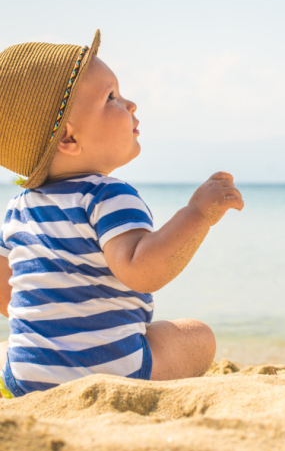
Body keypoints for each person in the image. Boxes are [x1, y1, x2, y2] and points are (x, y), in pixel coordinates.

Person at [0, 29, 244, 398]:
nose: (130, 104)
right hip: (115, 372)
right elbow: (142, 270)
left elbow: (7, 293)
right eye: (111, 97)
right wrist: (197, 214)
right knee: (197, 336)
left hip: (27, 378)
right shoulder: (107, 194)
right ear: (69, 139)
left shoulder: (18, 209)